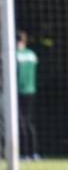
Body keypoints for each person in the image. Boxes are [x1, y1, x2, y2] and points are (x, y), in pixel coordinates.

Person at [15, 31, 39, 160]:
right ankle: (34, 152)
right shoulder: (32, 54)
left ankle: (23, 153)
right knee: (30, 122)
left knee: (20, 122)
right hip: (31, 90)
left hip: (18, 91)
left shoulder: (14, 55)